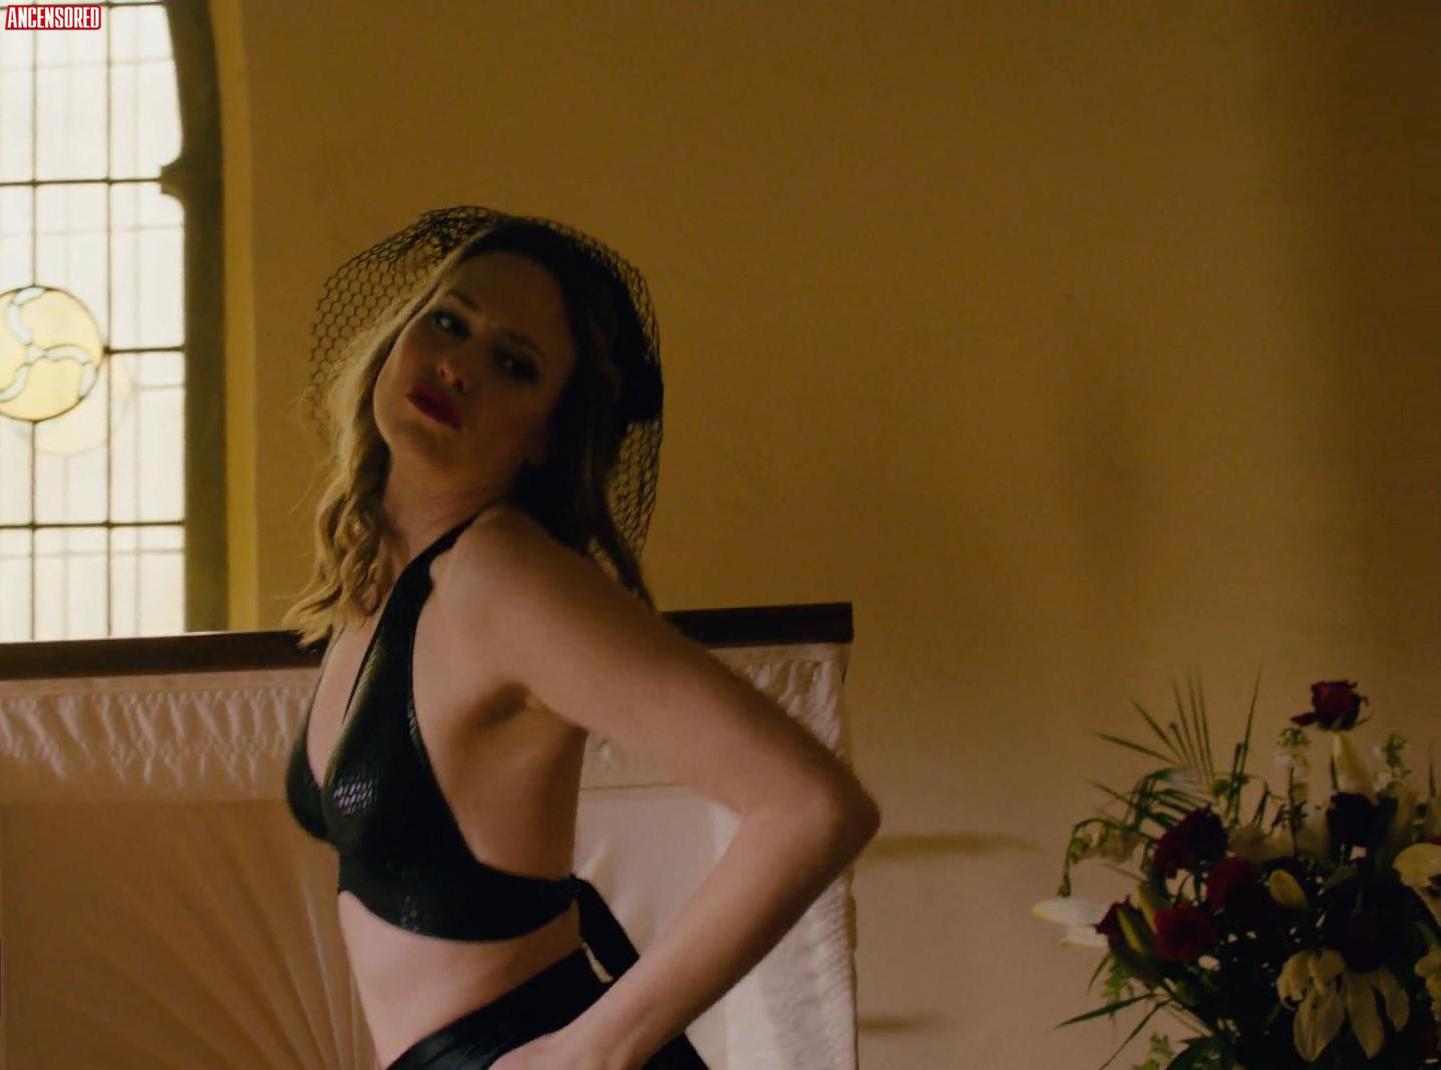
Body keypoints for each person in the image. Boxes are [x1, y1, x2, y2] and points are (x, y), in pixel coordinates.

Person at [281, 207, 881, 1070]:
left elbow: (814, 808)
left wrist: (590, 1053)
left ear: (545, 436)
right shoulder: (384, 581)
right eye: (447, 321)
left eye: (513, 364)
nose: (456, 366)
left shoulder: (502, 576)